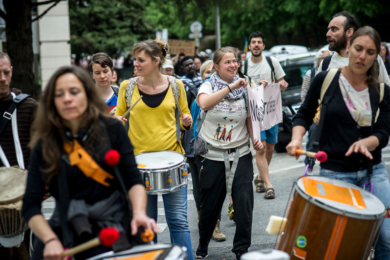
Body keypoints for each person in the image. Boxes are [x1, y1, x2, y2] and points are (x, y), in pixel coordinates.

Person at [22, 66, 159, 260]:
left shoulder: (112, 129)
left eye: (74, 92)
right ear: (52, 102)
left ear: (87, 94)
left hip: (118, 228)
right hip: (67, 233)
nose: (67, 98)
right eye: (59, 94)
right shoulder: (45, 144)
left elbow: (133, 181)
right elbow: (30, 205)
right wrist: (50, 240)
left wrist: (138, 213)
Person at [286, 26, 390, 260]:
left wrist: (369, 142)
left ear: (376, 57)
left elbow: (384, 131)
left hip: (374, 172)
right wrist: (295, 139)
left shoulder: (381, 91)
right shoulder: (327, 79)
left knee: (386, 238)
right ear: (349, 48)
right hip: (335, 173)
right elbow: (303, 114)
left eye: (370, 52)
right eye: (359, 49)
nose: (363, 56)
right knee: (340, 242)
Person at [114, 39, 194, 260]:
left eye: (141, 60)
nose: (135, 64)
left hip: (173, 160)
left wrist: (187, 121)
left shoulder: (176, 86)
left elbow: (186, 120)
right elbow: (118, 119)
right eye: (135, 59)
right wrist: (116, 121)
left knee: (178, 221)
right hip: (138, 165)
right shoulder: (127, 87)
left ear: (156, 61)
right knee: (146, 223)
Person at [195, 47, 262, 260]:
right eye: (227, 62)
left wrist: (256, 139)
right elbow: (204, 103)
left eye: (235, 61)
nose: (233, 65)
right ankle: (203, 245)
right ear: (216, 66)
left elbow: (251, 115)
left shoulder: (246, 85)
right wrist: (230, 87)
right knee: (210, 208)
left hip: (240, 153)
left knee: (244, 204)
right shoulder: (208, 85)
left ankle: (241, 249)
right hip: (212, 155)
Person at [242, 31, 289, 199]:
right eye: (253, 42)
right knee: (260, 148)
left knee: (270, 148)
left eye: (259, 42)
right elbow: (240, 87)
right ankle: (269, 185)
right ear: (250, 46)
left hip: (271, 111)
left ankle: (260, 177)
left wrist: (276, 83)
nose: (256, 45)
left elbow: (283, 84)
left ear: (263, 45)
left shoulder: (272, 61)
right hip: (254, 114)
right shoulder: (244, 65)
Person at [0, 52, 37, 259]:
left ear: (12, 71)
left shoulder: (29, 106)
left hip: (23, 197)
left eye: (6, 72)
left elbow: (43, 148)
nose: (2, 78)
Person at [319, 11, 390, 86]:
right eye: (328, 29)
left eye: (334, 29)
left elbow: (386, 90)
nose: (328, 34)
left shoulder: (372, 60)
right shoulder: (326, 63)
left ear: (349, 32)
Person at [300, 48, 331, 168]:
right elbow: (304, 95)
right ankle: (310, 162)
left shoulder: (335, 72)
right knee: (313, 131)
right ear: (318, 60)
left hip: (329, 112)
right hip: (314, 112)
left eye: (328, 58)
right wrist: (312, 112)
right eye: (323, 58)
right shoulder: (311, 74)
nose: (325, 60)